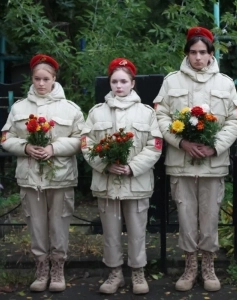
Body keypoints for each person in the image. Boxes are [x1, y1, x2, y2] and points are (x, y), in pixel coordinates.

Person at [154, 26, 237, 292]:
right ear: (187, 53)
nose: (198, 58)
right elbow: (161, 116)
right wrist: (181, 142)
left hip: (212, 164)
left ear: (211, 53)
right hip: (181, 163)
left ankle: (208, 265)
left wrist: (214, 146)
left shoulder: (225, 83)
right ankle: (189, 266)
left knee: (210, 216)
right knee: (185, 215)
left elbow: (235, 119)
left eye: (203, 52)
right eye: (193, 52)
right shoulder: (172, 82)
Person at [1, 54, 85, 292]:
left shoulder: (70, 109)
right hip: (30, 177)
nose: (40, 83)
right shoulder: (19, 107)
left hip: (60, 176)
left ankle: (58, 267)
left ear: (54, 79)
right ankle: (41, 267)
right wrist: (26, 147)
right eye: (36, 78)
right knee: (36, 224)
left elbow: (81, 140)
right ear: (32, 79)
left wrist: (53, 148)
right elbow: (6, 137)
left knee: (59, 224)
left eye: (45, 79)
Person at [81, 58, 162, 295]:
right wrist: (105, 165)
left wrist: (132, 167)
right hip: (107, 182)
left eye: (123, 81)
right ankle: (114, 274)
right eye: (114, 81)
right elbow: (87, 143)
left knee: (137, 231)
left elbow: (154, 145)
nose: (119, 86)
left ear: (132, 83)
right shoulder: (97, 112)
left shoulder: (146, 113)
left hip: (136, 182)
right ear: (110, 83)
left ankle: (138, 273)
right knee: (110, 232)